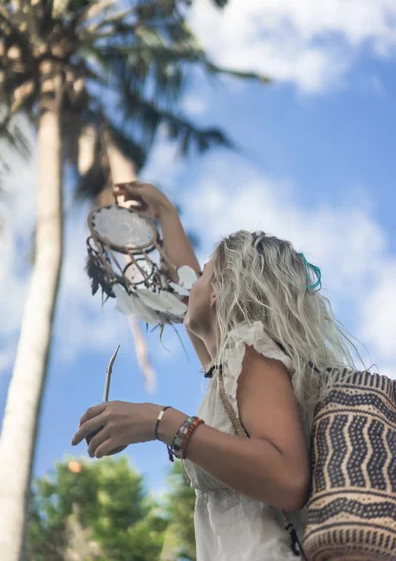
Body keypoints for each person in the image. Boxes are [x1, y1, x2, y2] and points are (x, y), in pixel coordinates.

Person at [72, 182, 358, 560]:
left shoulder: (251, 350)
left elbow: (288, 478)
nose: (191, 284)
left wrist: (161, 423)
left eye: (205, 274)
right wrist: (165, 213)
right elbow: (187, 280)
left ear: (221, 289)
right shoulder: (231, 368)